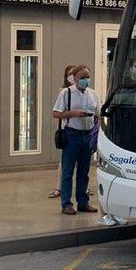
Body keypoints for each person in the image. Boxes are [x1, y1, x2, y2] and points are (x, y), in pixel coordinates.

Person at [52, 64, 100, 215]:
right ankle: (66, 203)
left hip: (87, 134)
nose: (86, 80)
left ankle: (83, 201)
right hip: (72, 133)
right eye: (82, 77)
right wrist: (74, 113)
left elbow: (98, 112)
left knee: (84, 171)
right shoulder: (66, 93)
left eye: (87, 77)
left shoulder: (93, 94)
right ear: (75, 78)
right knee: (68, 170)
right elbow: (56, 113)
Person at [48, 64, 78, 199]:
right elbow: (58, 113)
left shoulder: (84, 91)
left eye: (74, 73)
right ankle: (59, 187)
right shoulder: (64, 91)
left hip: (81, 131)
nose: (71, 76)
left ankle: (83, 188)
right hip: (67, 130)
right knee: (64, 162)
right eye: (69, 74)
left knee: (81, 162)